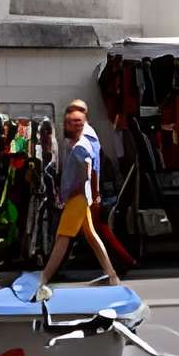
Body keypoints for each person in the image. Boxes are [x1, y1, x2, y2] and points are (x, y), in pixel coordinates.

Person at [35, 101, 121, 290]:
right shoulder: (87, 137)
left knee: (63, 237)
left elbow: (88, 171)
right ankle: (112, 275)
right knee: (91, 236)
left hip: (78, 198)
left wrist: (76, 192)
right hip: (82, 197)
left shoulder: (81, 145)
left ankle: (43, 278)